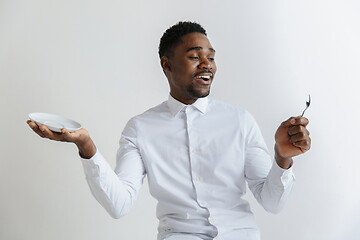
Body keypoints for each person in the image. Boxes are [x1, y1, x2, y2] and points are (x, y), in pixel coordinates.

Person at [27, 21, 311, 240]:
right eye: (194, 56)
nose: (206, 64)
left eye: (211, 57)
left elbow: (272, 202)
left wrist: (282, 159)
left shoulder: (240, 121)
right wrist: (86, 146)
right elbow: (119, 204)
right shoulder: (140, 129)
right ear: (167, 64)